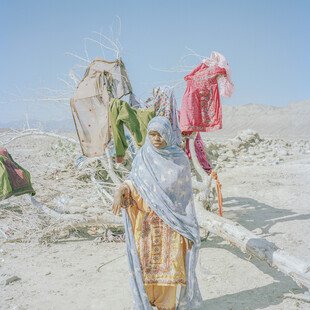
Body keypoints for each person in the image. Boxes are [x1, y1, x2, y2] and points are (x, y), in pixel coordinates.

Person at [113, 116, 202, 309]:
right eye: (152, 134)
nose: (156, 138)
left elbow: (184, 198)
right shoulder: (142, 158)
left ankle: (167, 307)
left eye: (160, 134)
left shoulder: (179, 160)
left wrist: (186, 227)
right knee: (146, 270)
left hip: (172, 226)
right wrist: (122, 189)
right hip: (145, 228)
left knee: (169, 272)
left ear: (168, 134)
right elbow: (134, 183)